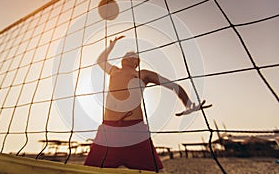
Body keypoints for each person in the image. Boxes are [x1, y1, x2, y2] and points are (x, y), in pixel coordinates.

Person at [84, 36, 211, 172]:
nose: (127, 57)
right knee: (87, 171)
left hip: (134, 131)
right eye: (126, 55)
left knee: (157, 171)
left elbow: (173, 85)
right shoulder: (114, 71)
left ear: (136, 62)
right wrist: (111, 47)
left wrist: (188, 103)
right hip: (108, 131)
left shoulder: (142, 74)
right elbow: (100, 61)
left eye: (132, 56)